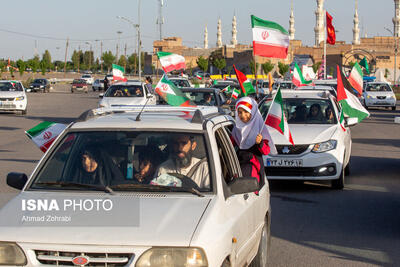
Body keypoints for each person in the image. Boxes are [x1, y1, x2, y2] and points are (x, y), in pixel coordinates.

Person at [231, 97, 272, 187]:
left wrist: (260, 142)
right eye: (240, 112)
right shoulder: (236, 129)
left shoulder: (260, 128)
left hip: (253, 167)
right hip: (237, 165)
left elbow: (266, 151)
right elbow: (230, 144)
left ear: (252, 112)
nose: (243, 115)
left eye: (246, 112)